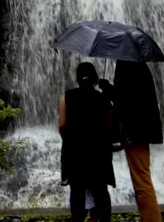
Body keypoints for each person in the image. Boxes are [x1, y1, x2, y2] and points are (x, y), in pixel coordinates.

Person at [60, 62, 115, 222]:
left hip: (75, 151)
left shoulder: (67, 96)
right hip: (98, 152)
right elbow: (109, 125)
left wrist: (69, 137)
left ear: (77, 78)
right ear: (95, 78)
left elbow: (62, 124)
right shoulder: (103, 98)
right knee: (101, 191)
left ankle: (77, 219)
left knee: (77, 191)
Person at [112, 61, 163, 222]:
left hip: (135, 132)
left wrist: (127, 130)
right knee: (140, 180)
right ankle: (146, 217)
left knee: (142, 181)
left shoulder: (127, 65)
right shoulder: (139, 65)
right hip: (140, 131)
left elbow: (128, 100)